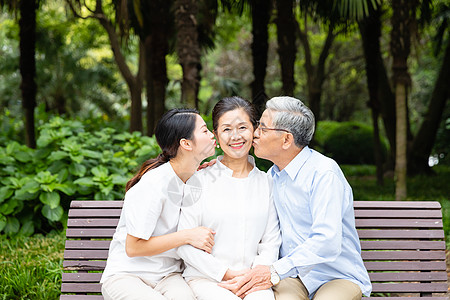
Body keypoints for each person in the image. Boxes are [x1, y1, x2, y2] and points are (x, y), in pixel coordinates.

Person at [219, 96, 372, 300]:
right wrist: (218, 166)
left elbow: (326, 240)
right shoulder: (272, 176)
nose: (255, 134)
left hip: (336, 276)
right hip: (293, 277)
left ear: (286, 140)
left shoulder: (324, 174)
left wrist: (275, 270)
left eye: (263, 128)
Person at [100, 108, 218, 300]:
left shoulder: (194, 178)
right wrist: (187, 236)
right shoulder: (153, 184)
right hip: (128, 275)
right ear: (186, 143)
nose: (212, 134)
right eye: (205, 130)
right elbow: (133, 248)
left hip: (168, 276)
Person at [177, 96, 281, 300]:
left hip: (254, 280)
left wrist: (255, 274)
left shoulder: (267, 182)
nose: (236, 136)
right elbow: (185, 243)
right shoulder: (198, 181)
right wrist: (225, 273)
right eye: (226, 129)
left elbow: (271, 241)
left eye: (242, 127)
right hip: (206, 278)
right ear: (215, 134)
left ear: (255, 130)